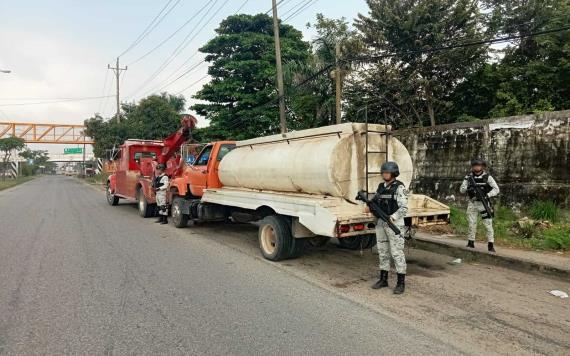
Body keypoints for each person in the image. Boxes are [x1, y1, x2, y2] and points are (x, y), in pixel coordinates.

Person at [367, 161, 409, 294]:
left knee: (397, 253)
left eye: (388, 172)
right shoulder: (380, 187)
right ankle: (383, 279)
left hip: (394, 224)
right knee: (383, 251)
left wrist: (393, 217)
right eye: (384, 172)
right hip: (381, 223)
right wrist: (370, 206)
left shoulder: (399, 188)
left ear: (393, 173)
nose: (385, 174)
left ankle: (400, 283)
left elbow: (404, 208)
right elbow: (375, 201)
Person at [460, 158, 500, 252]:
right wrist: (467, 188)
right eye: (475, 165)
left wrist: (487, 195)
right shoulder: (468, 177)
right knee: (471, 223)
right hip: (473, 203)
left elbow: (496, 189)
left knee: (488, 224)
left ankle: (490, 245)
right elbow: (461, 190)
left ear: (482, 166)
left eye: (478, 165)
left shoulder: (487, 177)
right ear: (472, 167)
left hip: (484, 203)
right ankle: (470, 243)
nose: (476, 167)